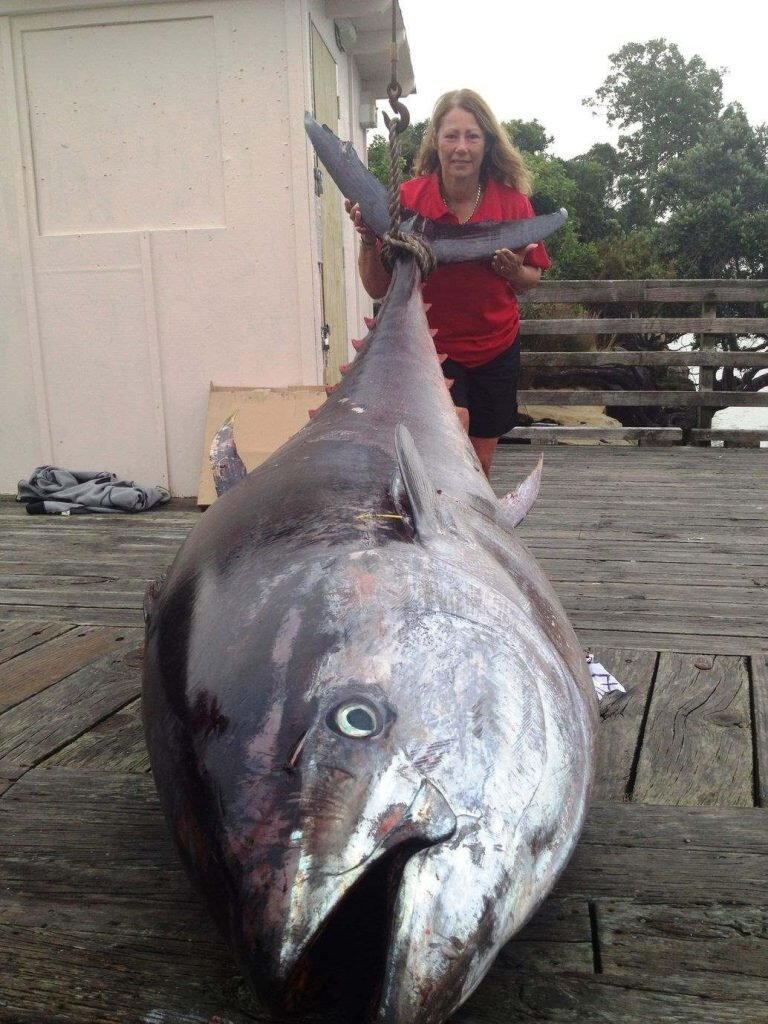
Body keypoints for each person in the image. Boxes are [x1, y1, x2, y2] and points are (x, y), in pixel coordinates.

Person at [345, 89, 550, 478]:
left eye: (472, 136)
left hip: (495, 347)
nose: (461, 147)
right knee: (437, 462)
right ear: (435, 139)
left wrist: (512, 272)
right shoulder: (405, 201)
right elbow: (376, 289)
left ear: (487, 143)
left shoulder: (513, 205)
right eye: (451, 135)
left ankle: (469, 535)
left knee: (481, 463)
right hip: (428, 352)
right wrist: (368, 238)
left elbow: (531, 279)